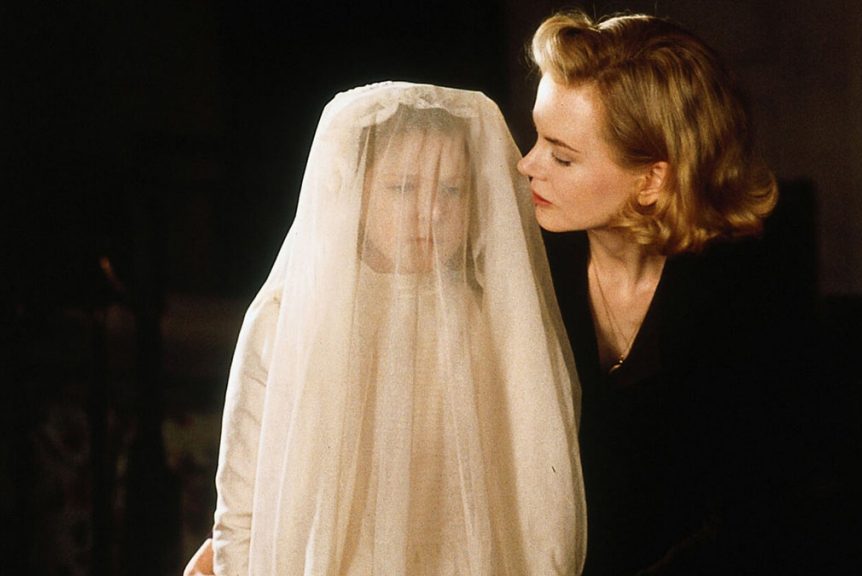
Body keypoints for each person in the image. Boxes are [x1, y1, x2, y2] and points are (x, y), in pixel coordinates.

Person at [206, 82, 585, 575]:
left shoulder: (487, 322)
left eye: (452, 189)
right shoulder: (287, 319)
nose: (432, 212)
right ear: (354, 188)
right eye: (403, 187)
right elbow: (242, 505)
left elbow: (537, 487)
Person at [518, 11, 823, 575]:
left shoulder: (747, 297)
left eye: (561, 155)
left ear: (652, 180)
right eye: (537, 137)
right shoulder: (522, 266)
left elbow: (767, 515)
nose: (526, 165)